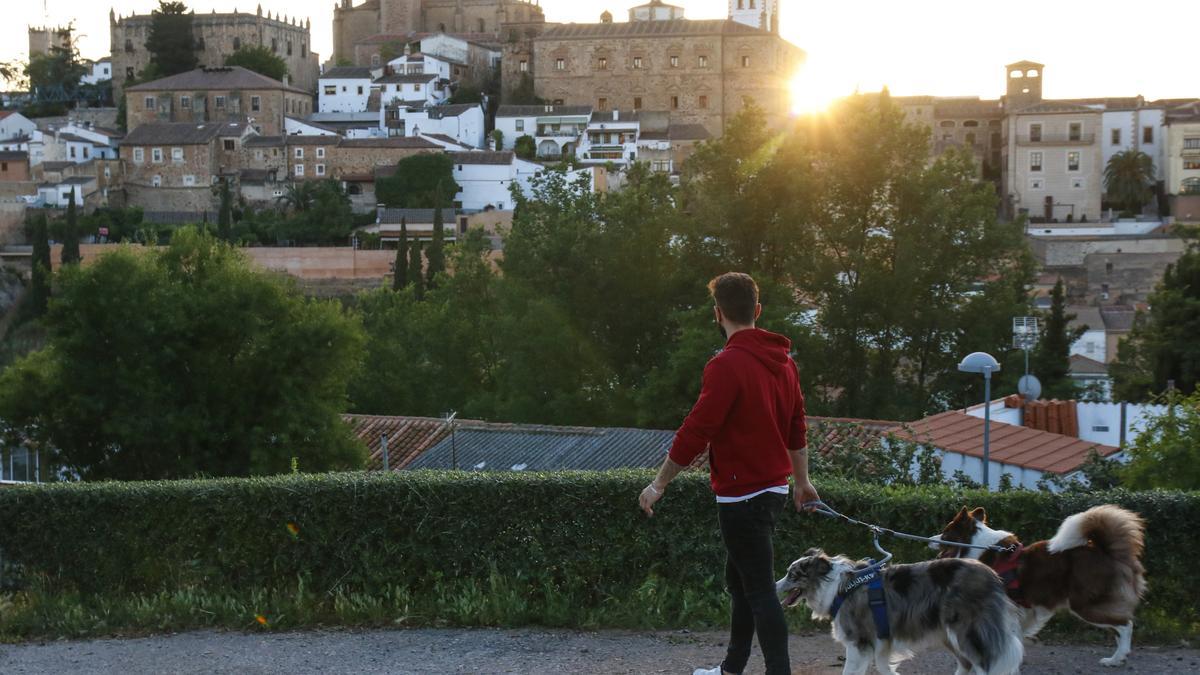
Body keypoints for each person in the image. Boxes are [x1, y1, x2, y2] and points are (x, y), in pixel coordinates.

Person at [639, 272, 818, 675]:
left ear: (717, 314)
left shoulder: (726, 366)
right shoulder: (784, 363)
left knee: (758, 590)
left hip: (742, 496)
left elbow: (696, 431)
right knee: (740, 583)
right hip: (771, 489)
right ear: (757, 310)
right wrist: (802, 481)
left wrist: (659, 483)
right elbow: (796, 426)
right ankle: (730, 670)